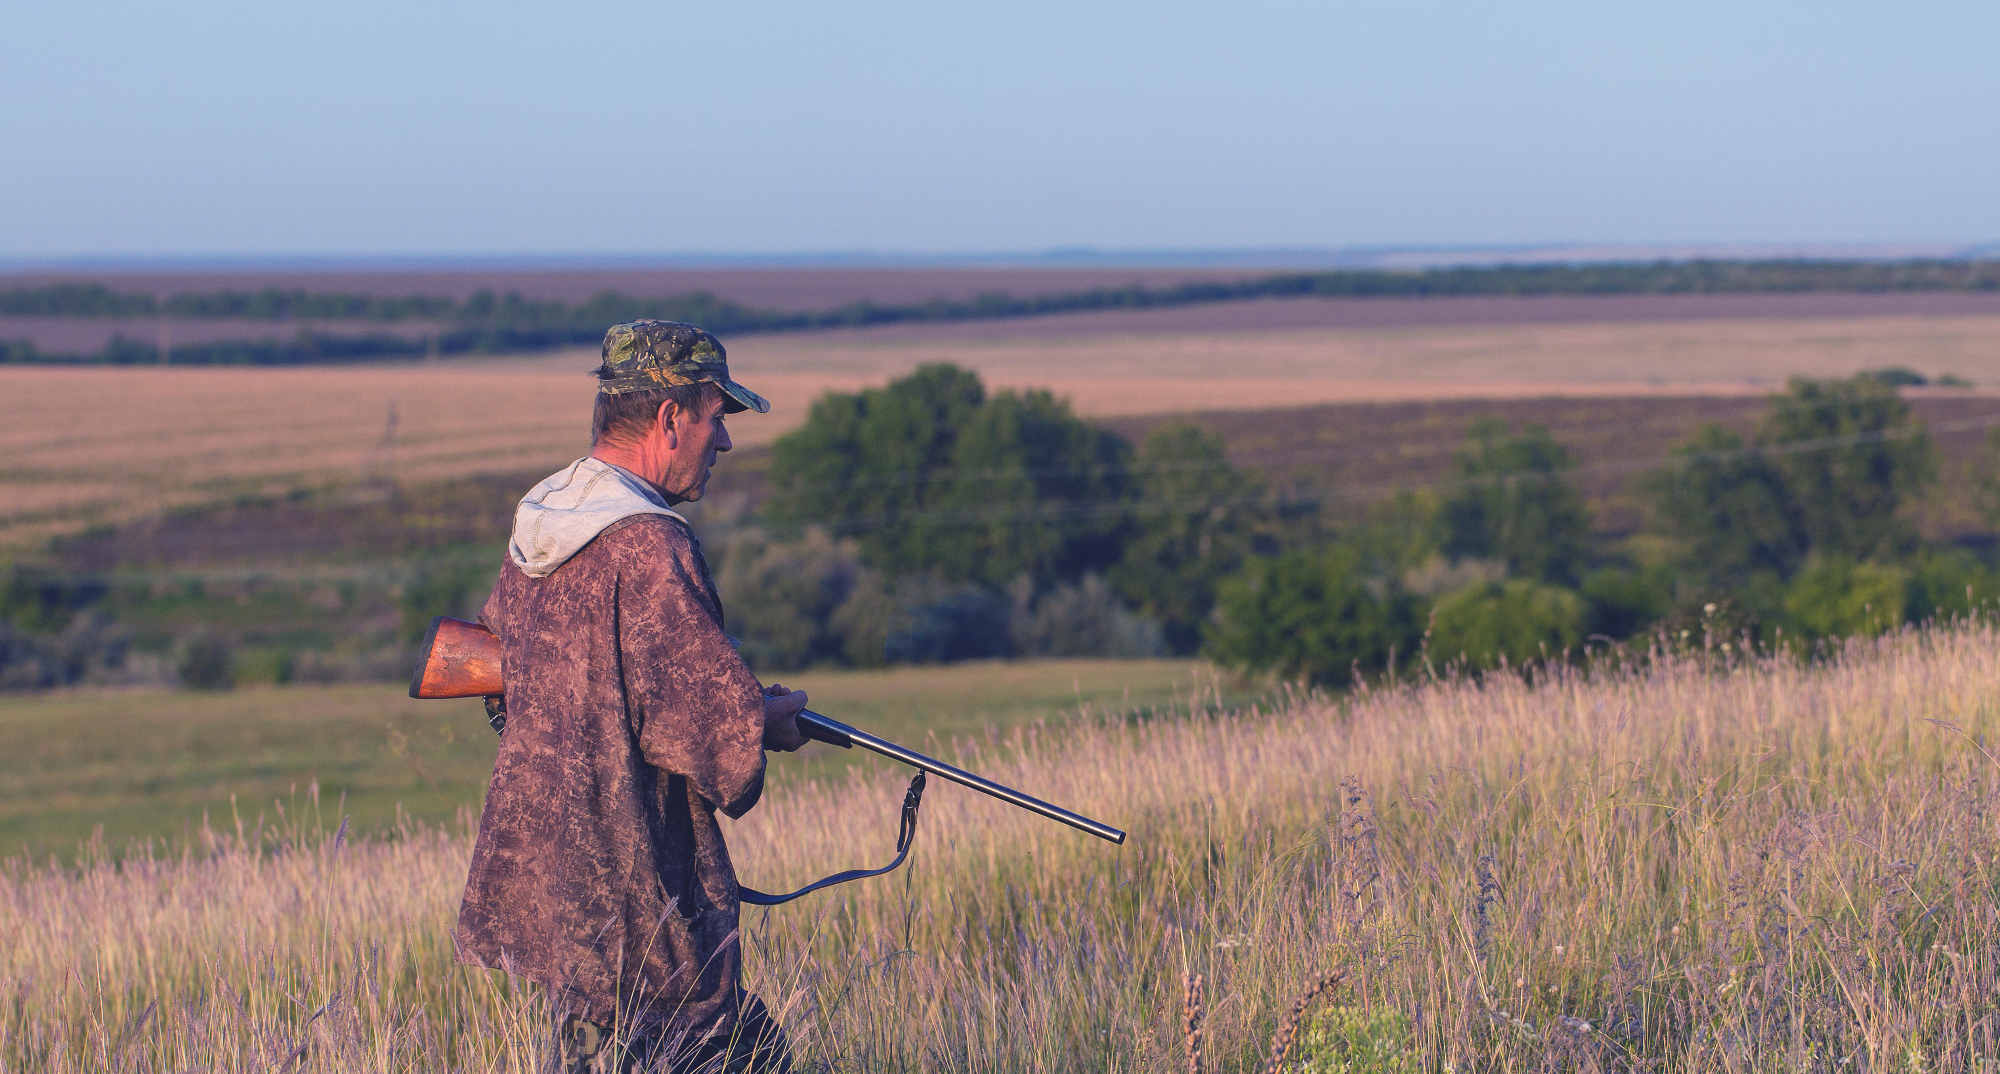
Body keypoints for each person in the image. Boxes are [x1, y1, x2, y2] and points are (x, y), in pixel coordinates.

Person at [455, 320, 810, 1073]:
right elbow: (719, 745)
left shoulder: (546, 520)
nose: (725, 444)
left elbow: (507, 673)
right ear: (670, 417)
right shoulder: (651, 545)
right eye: (717, 419)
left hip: (553, 883)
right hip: (640, 897)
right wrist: (766, 721)